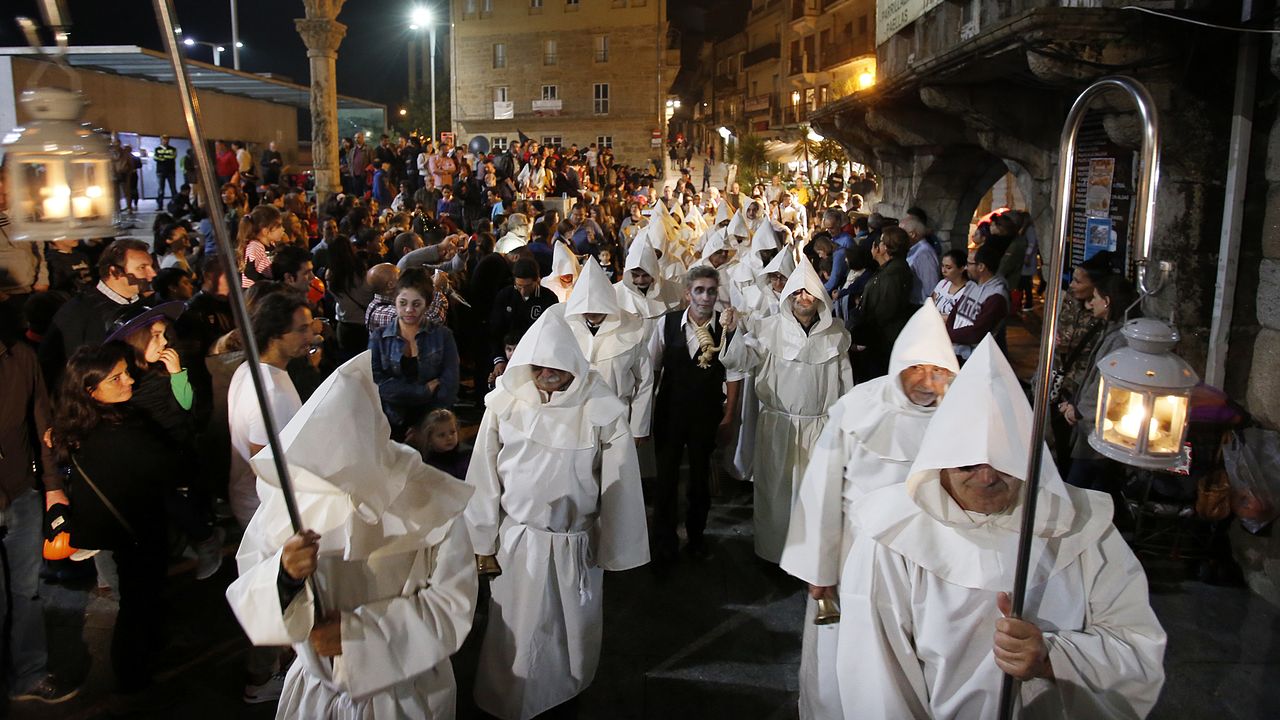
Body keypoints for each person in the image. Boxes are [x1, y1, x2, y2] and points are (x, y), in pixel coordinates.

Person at [837, 336, 1166, 717]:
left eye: (1006, 461)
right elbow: (877, 682)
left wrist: (1051, 657)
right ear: (941, 460)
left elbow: (1138, 650)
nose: (988, 476)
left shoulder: (1083, 530)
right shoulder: (892, 539)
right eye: (967, 463)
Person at [226, 356, 477, 719]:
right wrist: (284, 576)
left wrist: (356, 638)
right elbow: (253, 589)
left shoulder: (430, 499)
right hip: (319, 692)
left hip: (408, 690)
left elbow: (453, 603)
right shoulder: (293, 499)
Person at [466, 311, 649, 719]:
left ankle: (565, 696)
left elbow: (618, 486)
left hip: (573, 543)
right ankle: (508, 700)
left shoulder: (601, 409)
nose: (547, 372)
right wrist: (482, 542)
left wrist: (614, 548)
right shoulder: (504, 405)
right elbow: (483, 474)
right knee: (514, 631)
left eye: (557, 365)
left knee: (567, 633)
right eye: (539, 365)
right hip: (517, 542)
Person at [780, 301, 959, 719]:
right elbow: (822, 491)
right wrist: (820, 572)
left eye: (938, 372)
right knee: (848, 650)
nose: (926, 382)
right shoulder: (859, 408)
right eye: (917, 369)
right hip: (858, 553)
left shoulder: (963, 415)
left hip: (934, 560)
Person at [51, 344, 183, 702]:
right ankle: (134, 678)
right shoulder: (119, 432)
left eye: (126, 372)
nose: (128, 380)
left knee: (138, 597)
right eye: (117, 377)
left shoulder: (86, 422)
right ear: (90, 390)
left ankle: (141, 662)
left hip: (123, 528)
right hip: (136, 528)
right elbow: (169, 464)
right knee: (139, 602)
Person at [721, 255, 853, 564]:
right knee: (777, 493)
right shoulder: (770, 330)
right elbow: (741, 361)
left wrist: (844, 429)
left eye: (808, 293)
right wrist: (730, 333)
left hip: (820, 427)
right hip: (779, 426)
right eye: (796, 293)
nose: (802, 298)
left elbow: (845, 385)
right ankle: (775, 553)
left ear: (819, 297)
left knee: (816, 495)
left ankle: (811, 559)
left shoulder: (835, 336)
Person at [647, 265, 743, 561]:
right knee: (666, 478)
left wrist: (729, 416)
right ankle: (664, 538)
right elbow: (653, 367)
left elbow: (734, 372)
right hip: (670, 411)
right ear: (688, 293)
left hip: (705, 413)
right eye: (699, 290)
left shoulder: (726, 328)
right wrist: (645, 415)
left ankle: (697, 535)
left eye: (711, 291)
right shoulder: (667, 324)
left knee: (700, 479)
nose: (705, 297)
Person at [0, 336, 77, 705]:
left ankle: (29, 673)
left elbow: (41, 423)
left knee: (25, 591)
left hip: (21, 495)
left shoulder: (21, 358)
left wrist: (52, 487)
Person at [548, 257, 655, 440]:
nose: (592, 312)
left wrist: (639, 427)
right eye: (587, 308)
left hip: (618, 418)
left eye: (598, 307)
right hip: (575, 416)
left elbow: (644, 381)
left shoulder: (631, 329)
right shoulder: (567, 328)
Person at [1059, 274, 1139, 494]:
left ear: (1107, 301)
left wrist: (1081, 410)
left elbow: (1106, 382)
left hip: (1098, 431)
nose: (1090, 303)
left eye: (1095, 297)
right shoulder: (1112, 331)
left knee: (1081, 487)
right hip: (1094, 427)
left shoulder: (1120, 338)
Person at [39, 239, 156, 389]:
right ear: (114, 271)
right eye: (142, 267)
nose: (152, 274)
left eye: (151, 266)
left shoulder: (143, 305)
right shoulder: (79, 312)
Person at [369, 269, 460, 435]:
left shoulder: (443, 335)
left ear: (427, 304)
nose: (409, 310)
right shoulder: (379, 338)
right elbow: (378, 385)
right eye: (403, 303)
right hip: (391, 421)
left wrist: (424, 427)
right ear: (394, 301)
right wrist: (423, 391)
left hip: (434, 424)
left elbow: (449, 386)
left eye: (416, 304)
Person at [850, 226, 914, 381]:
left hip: (881, 343)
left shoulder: (893, 275)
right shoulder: (888, 271)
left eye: (880, 242)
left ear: (885, 248)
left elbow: (884, 311)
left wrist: (864, 336)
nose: (875, 245)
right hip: (878, 339)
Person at [946, 240, 1011, 360]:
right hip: (957, 351)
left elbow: (977, 332)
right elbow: (955, 311)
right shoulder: (971, 285)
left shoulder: (997, 296)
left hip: (975, 358)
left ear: (981, 267)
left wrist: (947, 335)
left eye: (969, 264)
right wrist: (948, 331)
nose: (966, 268)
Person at [406, 408, 470, 480]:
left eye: (452, 432)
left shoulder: (466, 455)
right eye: (442, 435)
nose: (449, 437)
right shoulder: (428, 464)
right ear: (429, 439)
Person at [237, 205, 284, 289]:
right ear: (265, 231)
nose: (283, 229)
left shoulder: (271, 244)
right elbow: (249, 272)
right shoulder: (255, 246)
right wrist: (269, 283)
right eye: (279, 226)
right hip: (255, 292)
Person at [900, 213, 940, 307]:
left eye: (901, 232)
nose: (898, 236)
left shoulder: (925, 253)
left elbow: (931, 286)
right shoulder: (913, 250)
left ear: (913, 234)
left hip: (919, 305)